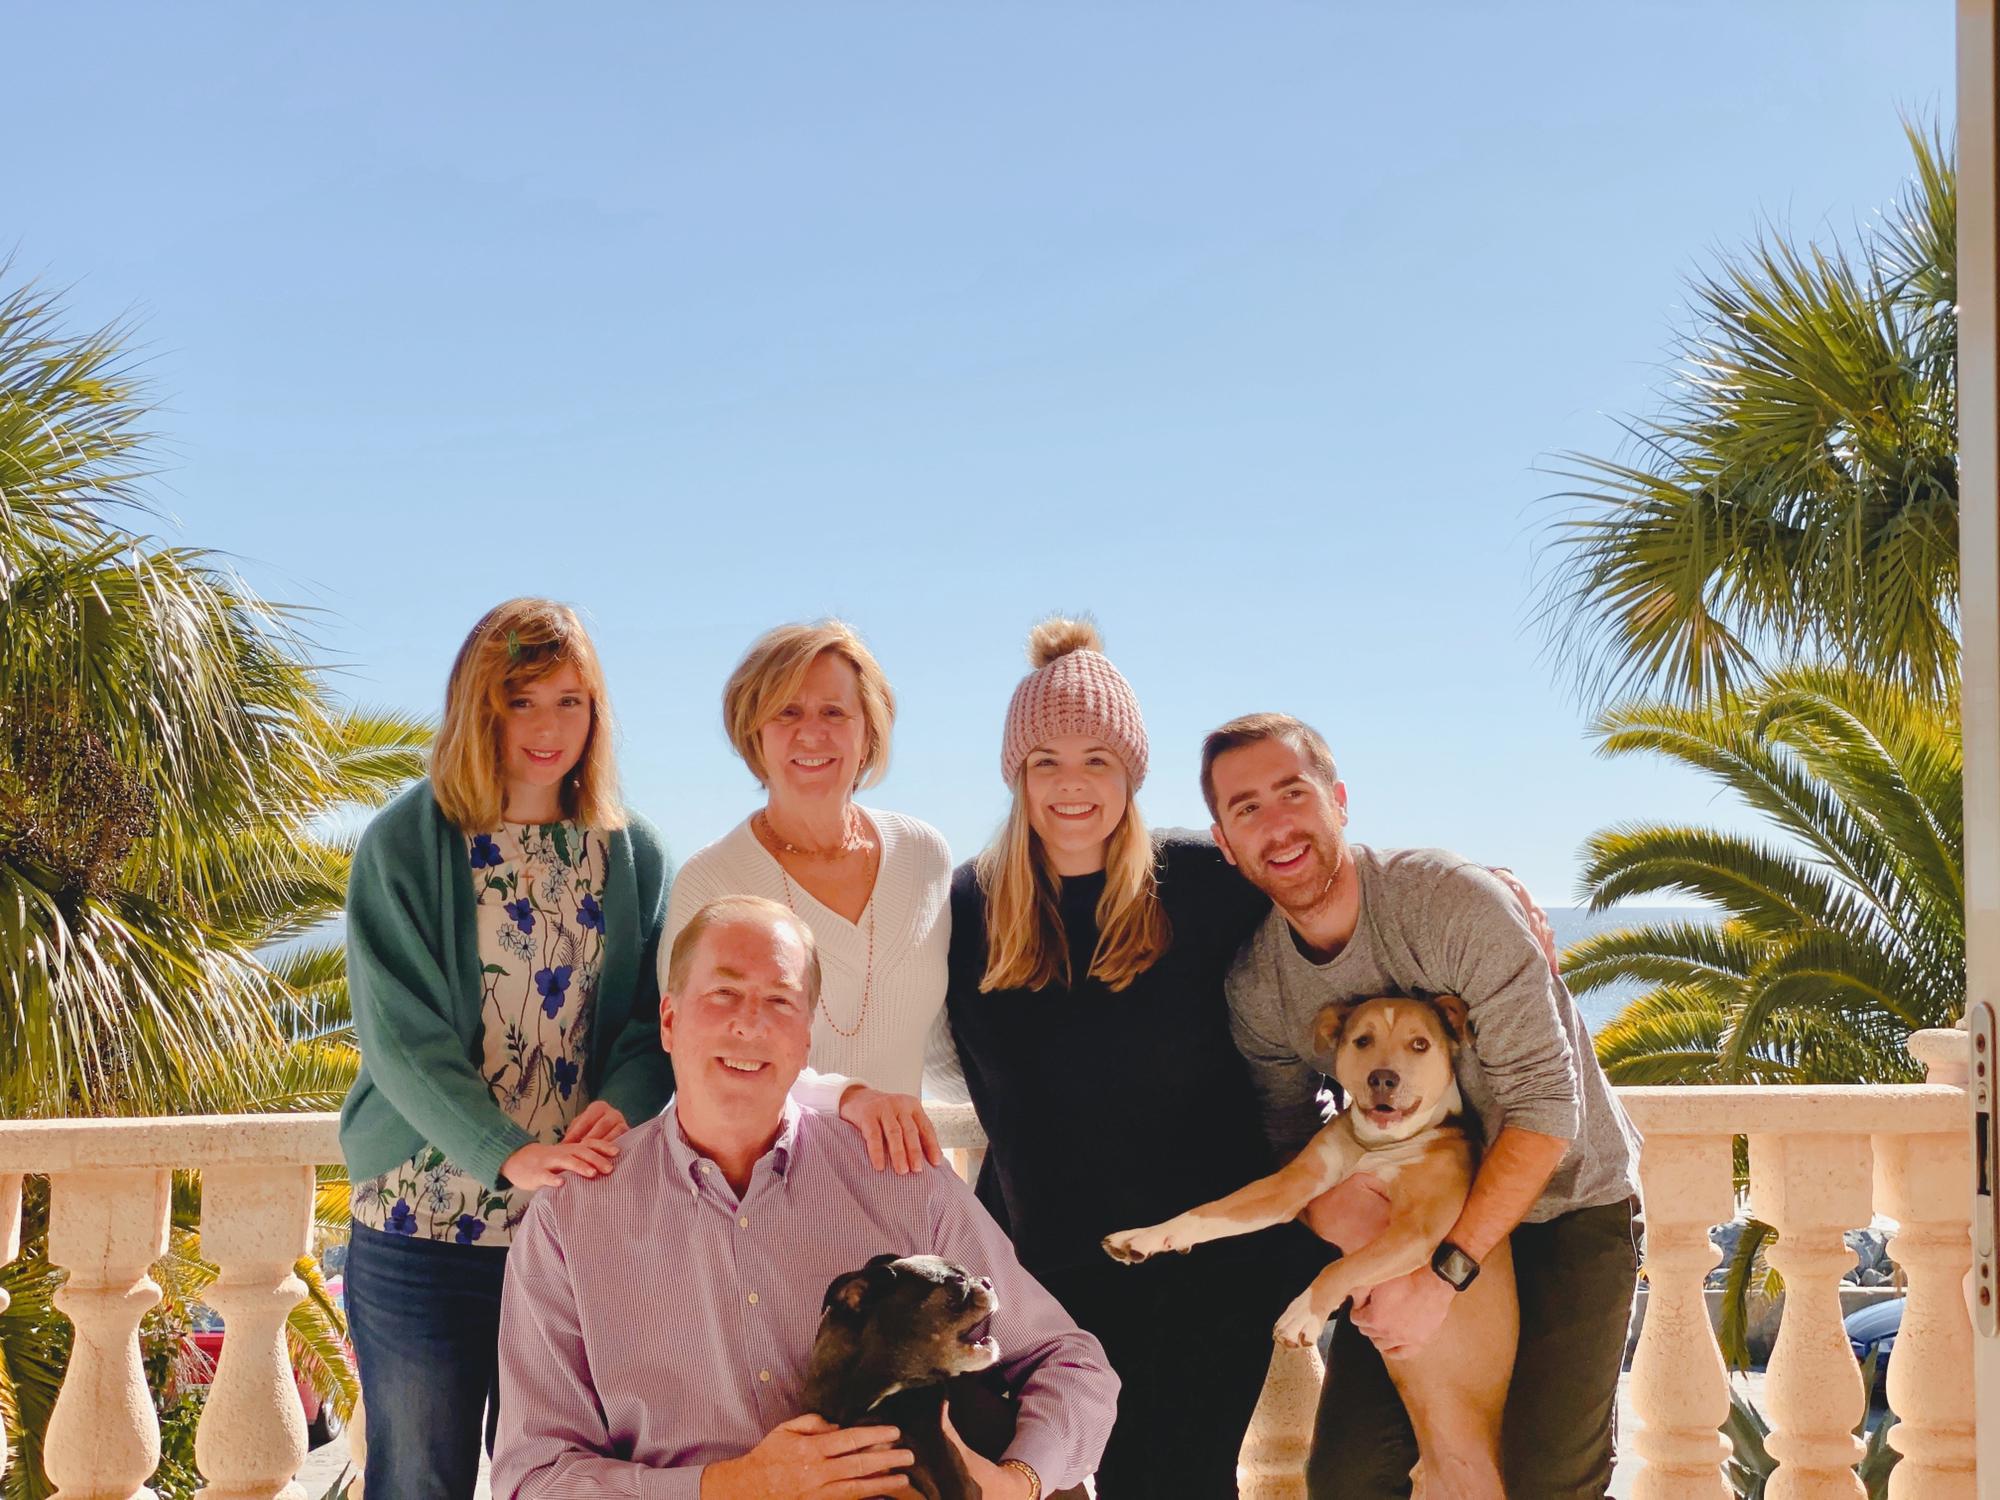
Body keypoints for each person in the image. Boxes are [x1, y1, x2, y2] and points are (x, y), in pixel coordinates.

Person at [492, 894, 1119, 1499]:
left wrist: (1018, 1482)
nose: (750, 1022)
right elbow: (532, 1477)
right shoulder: (569, 1220)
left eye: (780, 1000)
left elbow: (1068, 1362)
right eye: (724, 993)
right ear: (670, 1020)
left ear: (807, 1036)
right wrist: (731, 1489)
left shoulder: (900, 1180)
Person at [1202, 712, 1642, 1500]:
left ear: (1339, 800)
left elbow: (1548, 1108)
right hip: (1413, 1221)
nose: (1277, 825)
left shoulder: (1449, 904)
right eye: (1247, 808)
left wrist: (1441, 1277)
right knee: (1349, 1479)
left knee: (1546, 1482)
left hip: (1566, 1206)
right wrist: (1371, 1243)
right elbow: (1289, 1137)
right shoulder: (1260, 986)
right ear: (1225, 844)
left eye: (1293, 793)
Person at [945, 619, 1332, 1500]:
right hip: (1047, 1274)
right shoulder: (972, 903)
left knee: (1180, 1483)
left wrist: (1488, 888)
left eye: (1098, 759)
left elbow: (1338, 909)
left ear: (1132, 773)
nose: (1071, 784)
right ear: (1016, 774)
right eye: (1045, 760)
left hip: (1209, 1265)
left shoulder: (1204, 882)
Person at [338, 598, 675, 1500]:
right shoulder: (407, 843)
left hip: (573, 1234)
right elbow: (399, 1036)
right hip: (421, 1227)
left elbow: (655, 1021)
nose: (547, 728)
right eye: (520, 701)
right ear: (477, 708)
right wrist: (505, 1152)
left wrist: (624, 1103)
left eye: (569, 701)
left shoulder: (630, 853)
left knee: (563, 1483)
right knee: (418, 1480)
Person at [665, 620, 954, 1173]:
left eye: (834, 712)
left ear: (868, 730)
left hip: (901, 1188)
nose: (811, 734)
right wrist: (848, 1097)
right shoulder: (711, 880)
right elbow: (697, 1057)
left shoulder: (924, 858)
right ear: (755, 734)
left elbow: (938, 1044)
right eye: (787, 713)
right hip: (766, 1194)